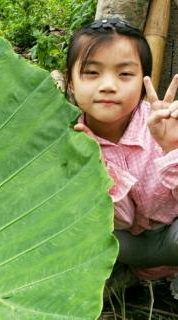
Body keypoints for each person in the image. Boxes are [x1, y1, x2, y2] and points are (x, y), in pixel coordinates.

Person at [65, 17, 178, 280]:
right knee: (85, 235)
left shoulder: (164, 123)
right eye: (91, 73)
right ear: (71, 83)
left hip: (172, 233)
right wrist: (100, 171)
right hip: (130, 248)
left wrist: (172, 148)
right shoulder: (73, 141)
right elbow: (122, 222)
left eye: (125, 74)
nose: (108, 85)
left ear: (143, 82)